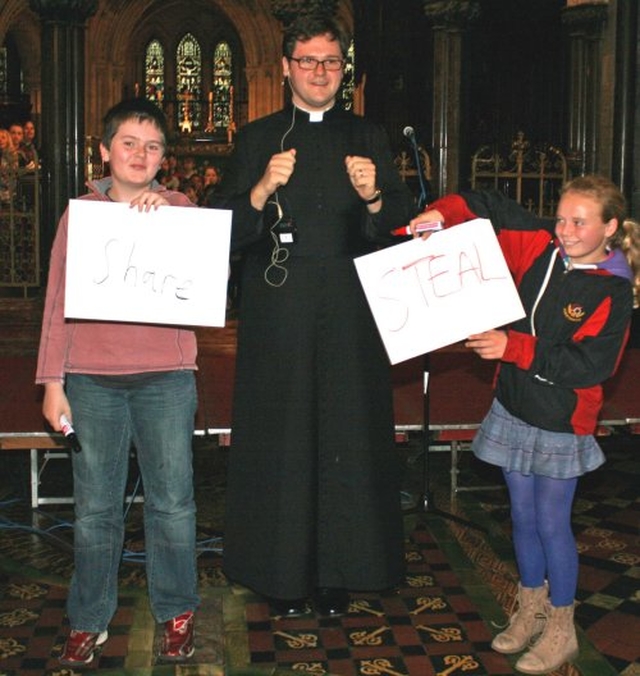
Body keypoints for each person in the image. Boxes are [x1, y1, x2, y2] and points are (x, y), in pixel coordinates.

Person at [216, 15, 415, 617]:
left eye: (330, 62)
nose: (320, 72)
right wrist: (257, 192)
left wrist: (377, 196)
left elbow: (402, 225)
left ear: (343, 71)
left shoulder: (369, 134)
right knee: (282, 436)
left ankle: (338, 572)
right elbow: (219, 232)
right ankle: (279, 574)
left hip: (351, 312)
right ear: (285, 68)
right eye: (308, 61)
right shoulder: (256, 138)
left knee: (345, 436)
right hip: (279, 310)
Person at [410, 175, 640, 674]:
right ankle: (530, 609)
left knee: (552, 523)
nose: (565, 230)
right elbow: (485, 203)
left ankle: (562, 627)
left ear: (610, 227)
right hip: (514, 407)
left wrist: (511, 347)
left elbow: (590, 366)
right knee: (521, 517)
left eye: (579, 222)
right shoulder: (542, 244)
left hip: (561, 421)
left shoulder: (613, 291)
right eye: (560, 218)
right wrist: (441, 216)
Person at [36, 98, 200, 667]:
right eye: (129, 143)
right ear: (105, 151)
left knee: (173, 504)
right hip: (92, 381)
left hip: (167, 379)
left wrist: (174, 216)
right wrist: (51, 382)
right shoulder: (79, 213)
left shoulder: (181, 208)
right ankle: (88, 619)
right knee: (95, 508)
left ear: (163, 158)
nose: (141, 154)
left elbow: (210, 280)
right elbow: (57, 302)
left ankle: (177, 613)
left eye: (153, 146)